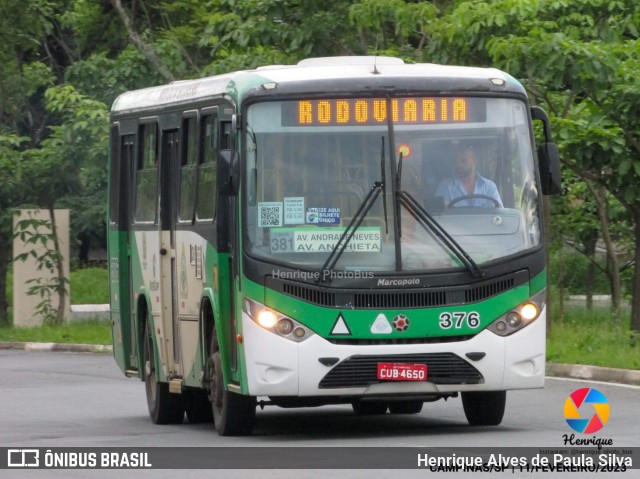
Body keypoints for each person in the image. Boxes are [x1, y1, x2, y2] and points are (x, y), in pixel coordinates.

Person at [434, 145, 503, 208]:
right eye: (456, 162)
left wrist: (496, 207)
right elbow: (436, 213)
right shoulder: (445, 186)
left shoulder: (489, 187)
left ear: (474, 160)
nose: (459, 165)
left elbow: (499, 213)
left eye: (463, 161)